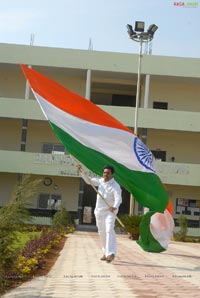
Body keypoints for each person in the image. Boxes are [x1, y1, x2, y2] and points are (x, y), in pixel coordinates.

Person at [77, 164, 122, 263]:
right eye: (104, 172)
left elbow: (118, 198)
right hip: (99, 211)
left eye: (108, 173)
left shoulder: (116, 186)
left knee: (109, 229)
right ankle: (105, 252)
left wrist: (114, 206)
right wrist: (82, 171)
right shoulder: (100, 181)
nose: (105, 174)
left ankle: (111, 253)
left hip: (110, 211)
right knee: (101, 232)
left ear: (112, 174)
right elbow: (89, 181)